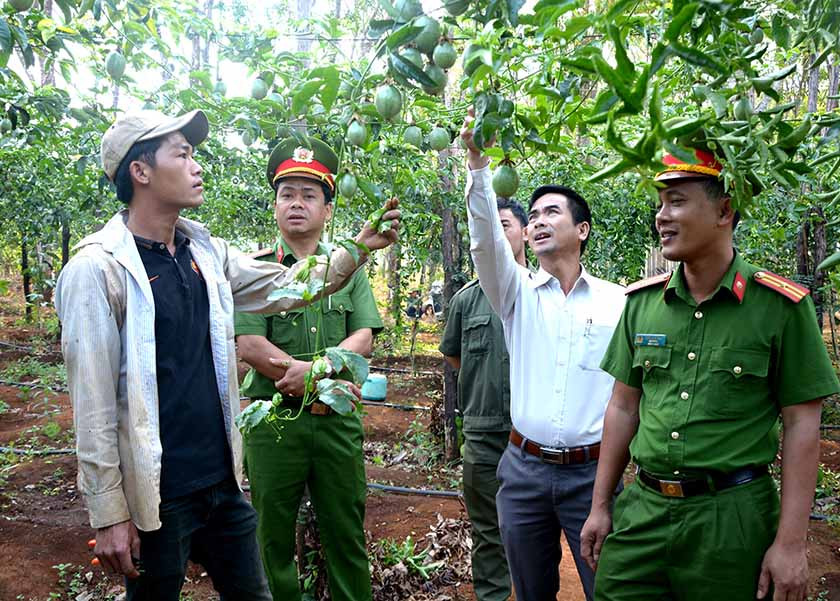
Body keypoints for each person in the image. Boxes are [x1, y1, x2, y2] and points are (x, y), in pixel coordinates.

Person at [54, 110, 400, 601]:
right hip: (160, 490)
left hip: (221, 481)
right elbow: (92, 406)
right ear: (141, 171)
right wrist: (109, 512)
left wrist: (357, 250)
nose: (196, 167)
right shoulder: (97, 270)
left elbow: (287, 287)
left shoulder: (205, 252)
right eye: (183, 154)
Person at [580, 148, 840, 601]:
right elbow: (623, 407)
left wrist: (791, 543)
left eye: (677, 201)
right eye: (660, 203)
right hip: (643, 510)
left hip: (731, 520)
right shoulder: (643, 305)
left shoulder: (779, 308)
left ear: (724, 210)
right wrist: (601, 506)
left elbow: (802, 424)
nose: (661, 217)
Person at [462, 111, 626, 601]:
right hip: (524, 470)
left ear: (583, 230)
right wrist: (477, 167)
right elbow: (487, 243)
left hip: (593, 475)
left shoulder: (619, 303)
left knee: (607, 587)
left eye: (551, 212)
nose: (537, 222)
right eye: (532, 217)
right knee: (531, 591)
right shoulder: (515, 294)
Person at [234, 138, 384, 601]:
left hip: (336, 421)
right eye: (286, 194)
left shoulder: (349, 267)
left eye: (308, 195)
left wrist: (315, 372)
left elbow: (364, 336)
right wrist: (299, 374)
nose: (296, 203)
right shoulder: (252, 268)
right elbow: (250, 343)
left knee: (346, 536)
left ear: (326, 207)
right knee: (270, 539)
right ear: (275, 205)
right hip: (274, 422)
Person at [439, 196, 528, 601]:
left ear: (525, 232)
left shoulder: (542, 292)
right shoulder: (465, 301)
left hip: (534, 436)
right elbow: (455, 356)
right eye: (489, 227)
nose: (496, 233)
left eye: (504, 225)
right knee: (488, 531)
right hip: (483, 433)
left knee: (534, 531)